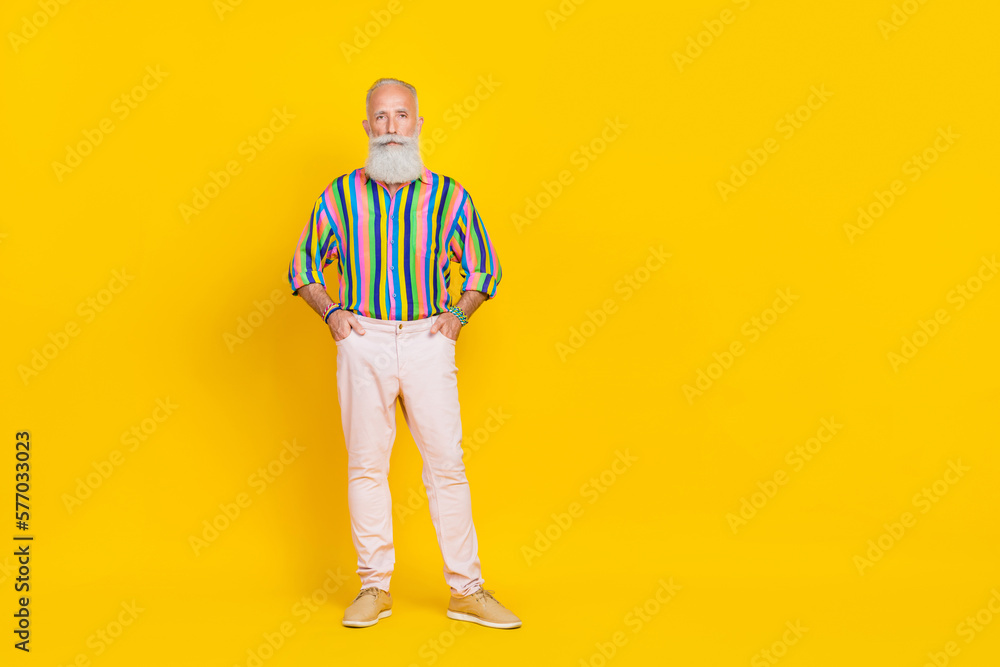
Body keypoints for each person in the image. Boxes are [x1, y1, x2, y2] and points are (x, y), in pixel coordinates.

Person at [285, 77, 520, 630]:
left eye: (402, 116)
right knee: (366, 466)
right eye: (382, 118)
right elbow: (302, 267)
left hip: (427, 341)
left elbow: (486, 267)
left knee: (448, 466)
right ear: (368, 127)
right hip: (362, 338)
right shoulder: (338, 196)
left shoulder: (450, 195)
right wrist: (333, 315)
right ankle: (374, 588)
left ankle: (467, 591)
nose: (392, 127)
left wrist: (457, 318)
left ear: (418, 125)